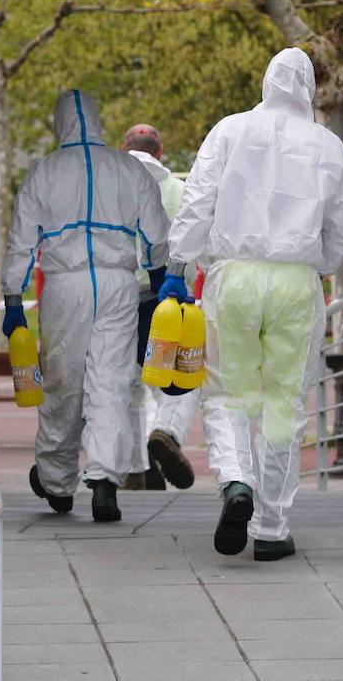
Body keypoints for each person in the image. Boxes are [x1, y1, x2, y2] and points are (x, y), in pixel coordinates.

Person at [160, 47, 343, 561]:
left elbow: (197, 198)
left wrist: (179, 266)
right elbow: (342, 227)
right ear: (309, 88)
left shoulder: (228, 130)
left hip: (235, 277)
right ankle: (271, 528)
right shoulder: (328, 145)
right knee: (284, 403)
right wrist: (320, 264)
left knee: (225, 392)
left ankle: (235, 482)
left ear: (267, 81)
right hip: (296, 281)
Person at [1, 90, 170, 523]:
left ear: (60, 123)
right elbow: (156, 234)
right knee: (111, 384)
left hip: (64, 287)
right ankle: (104, 483)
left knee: (62, 385)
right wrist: (158, 282)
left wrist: (13, 298)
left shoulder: (44, 172)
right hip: (118, 286)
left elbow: (21, 241)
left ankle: (57, 483)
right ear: (98, 121)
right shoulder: (128, 168)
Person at [121, 123, 197, 492]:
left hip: (116, 299)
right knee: (176, 376)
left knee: (128, 387)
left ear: (124, 148)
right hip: (163, 298)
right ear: (161, 152)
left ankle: (137, 468)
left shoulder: (110, 189)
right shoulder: (181, 192)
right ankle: (165, 431)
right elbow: (196, 241)